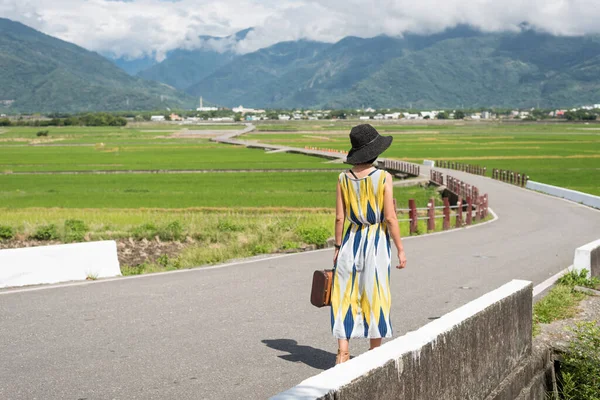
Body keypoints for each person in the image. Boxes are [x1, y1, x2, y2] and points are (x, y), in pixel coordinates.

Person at [331, 124, 407, 364]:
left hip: (349, 242)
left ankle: (343, 352)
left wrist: (336, 247)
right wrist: (401, 249)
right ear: (375, 152)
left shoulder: (343, 178)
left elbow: (340, 217)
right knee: (375, 293)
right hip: (375, 242)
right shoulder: (383, 177)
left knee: (344, 294)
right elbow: (390, 217)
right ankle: (374, 354)